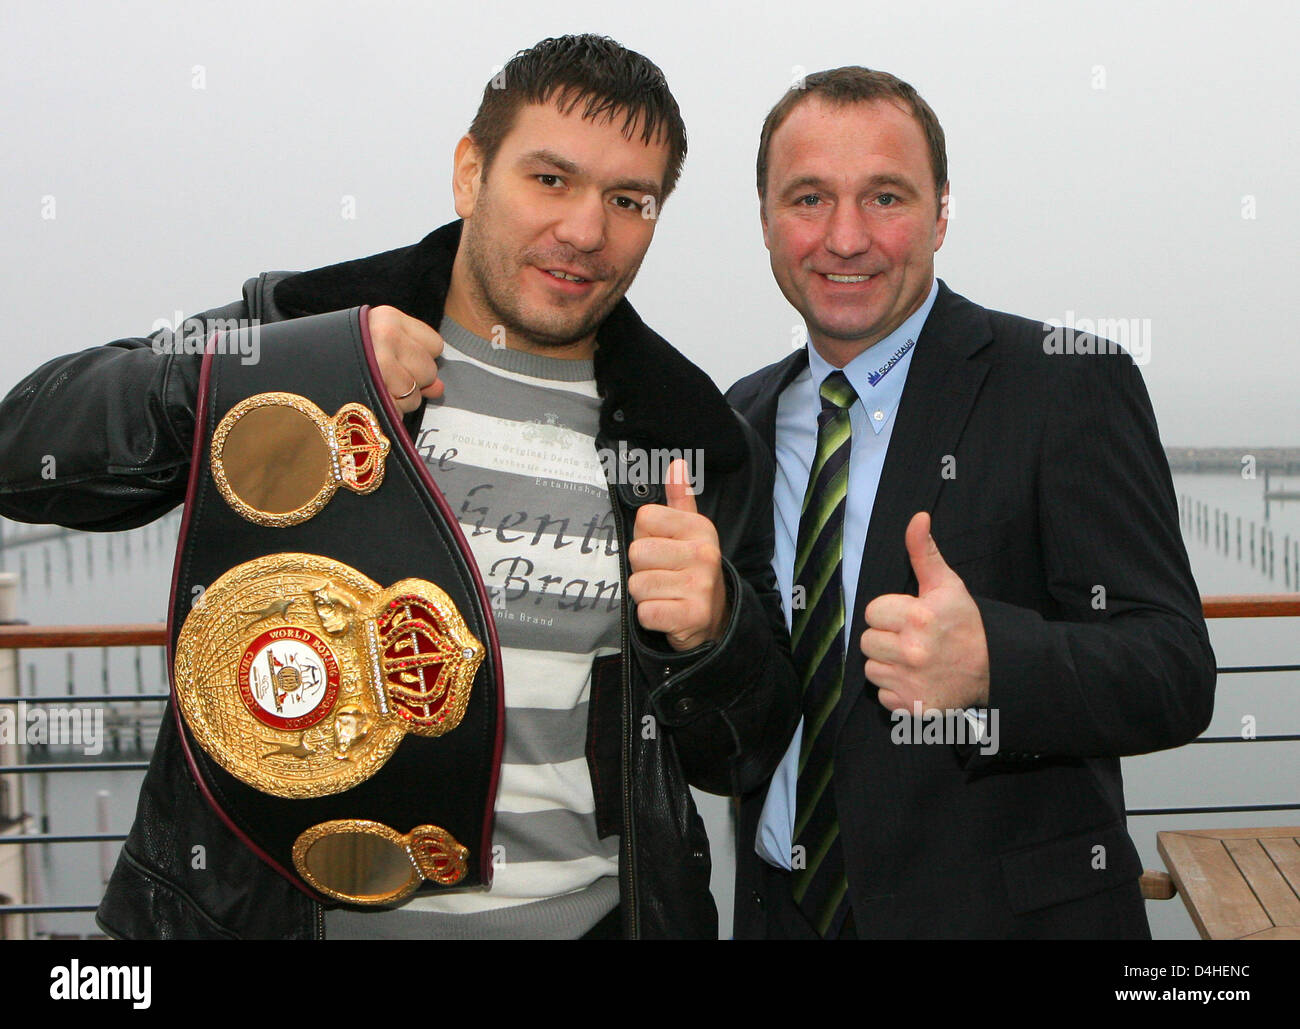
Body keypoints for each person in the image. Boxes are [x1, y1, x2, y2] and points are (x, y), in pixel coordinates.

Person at [0, 34, 799, 940]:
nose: (586, 230)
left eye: (629, 200)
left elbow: (746, 750)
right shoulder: (307, 332)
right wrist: (278, 377)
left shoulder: (689, 435)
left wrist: (714, 632)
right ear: (470, 173)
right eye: (550, 179)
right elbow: (26, 453)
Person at [726, 67, 1216, 939]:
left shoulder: (1066, 382)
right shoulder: (742, 419)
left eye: (885, 197)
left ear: (942, 212)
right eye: (808, 198)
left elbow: (1175, 672)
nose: (846, 237)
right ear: (764, 219)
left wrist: (997, 665)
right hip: (782, 915)